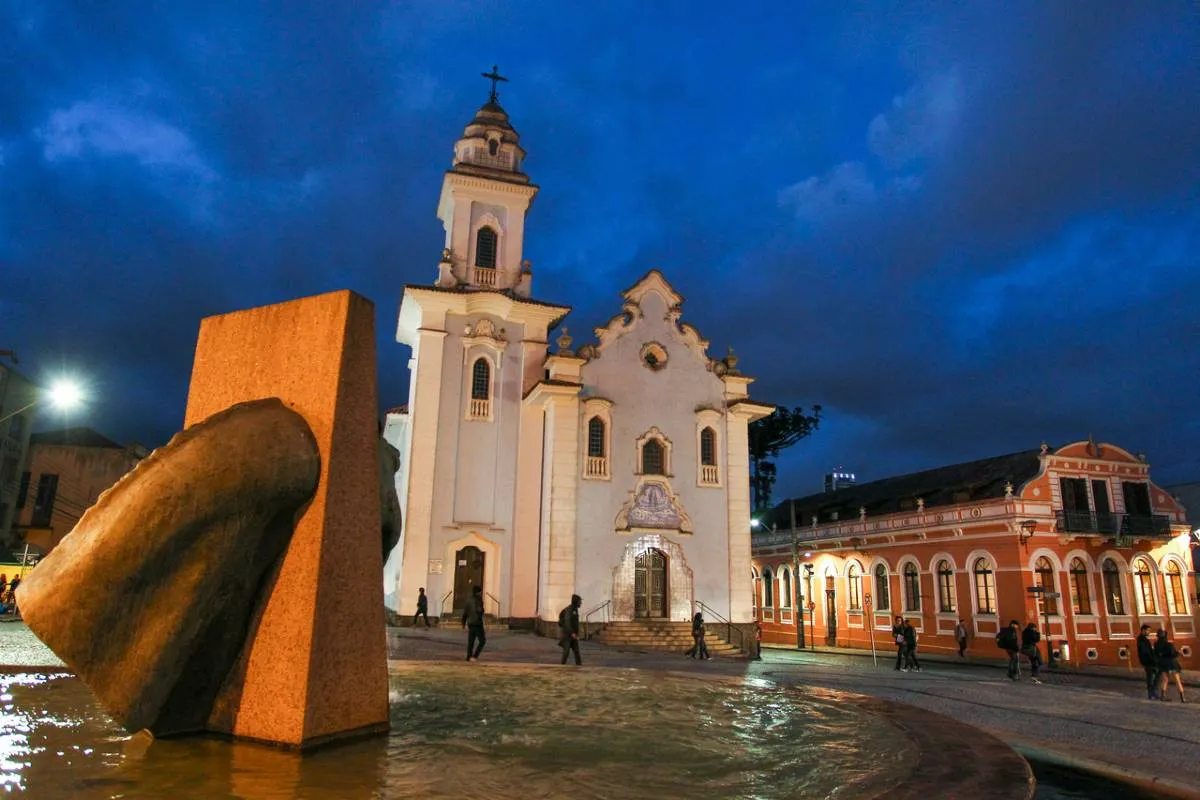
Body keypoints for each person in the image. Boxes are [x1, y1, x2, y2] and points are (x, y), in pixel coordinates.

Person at [1154, 629, 1187, 703]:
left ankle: (1162, 696)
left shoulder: (1156, 645)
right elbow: (1173, 655)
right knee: (1177, 680)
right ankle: (1182, 698)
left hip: (1163, 664)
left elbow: (1156, 655)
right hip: (1172, 664)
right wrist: (1179, 652)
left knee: (1165, 680)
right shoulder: (1169, 645)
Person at [461, 585, 486, 661]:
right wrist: (481, 611)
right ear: (479, 592)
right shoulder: (478, 600)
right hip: (477, 623)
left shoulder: (468, 600)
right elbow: (479, 610)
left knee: (471, 642)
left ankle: (468, 657)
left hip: (470, 623)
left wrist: (463, 622)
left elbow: (465, 613)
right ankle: (474, 656)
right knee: (482, 641)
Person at [558, 594, 583, 665]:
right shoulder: (569, 610)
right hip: (567, 635)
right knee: (566, 652)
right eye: (579, 601)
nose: (580, 603)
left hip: (573, 635)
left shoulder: (575, 609)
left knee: (576, 651)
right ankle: (562, 666)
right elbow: (567, 622)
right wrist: (572, 633)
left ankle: (579, 666)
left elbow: (574, 623)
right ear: (576, 601)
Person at [1136, 624, 1159, 700]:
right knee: (1151, 677)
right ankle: (1152, 693)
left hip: (1148, 661)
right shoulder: (1142, 639)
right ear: (1143, 630)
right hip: (1148, 661)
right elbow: (1145, 652)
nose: (1149, 632)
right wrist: (1152, 659)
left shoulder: (1144, 639)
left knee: (1152, 677)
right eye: (1148, 630)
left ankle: (1152, 693)